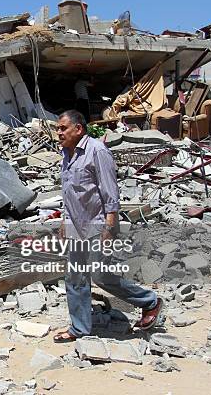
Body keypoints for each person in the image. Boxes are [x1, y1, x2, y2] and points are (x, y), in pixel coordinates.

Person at [53, 110, 163, 343]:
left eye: (63, 128)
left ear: (78, 129)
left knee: (101, 275)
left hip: (97, 224)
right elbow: (70, 192)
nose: (59, 133)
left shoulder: (97, 151)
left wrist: (110, 227)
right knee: (75, 277)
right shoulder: (66, 153)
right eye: (58, 128)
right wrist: (65, 220)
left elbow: (109, 191)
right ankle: (79, 328)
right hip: (76, 224)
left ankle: (150, 302)